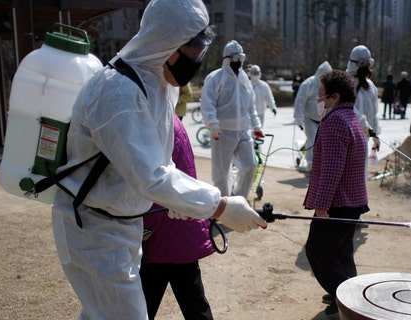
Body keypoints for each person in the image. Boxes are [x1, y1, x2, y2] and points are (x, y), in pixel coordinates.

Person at [51, 1, 267, 319]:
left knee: (102, 313)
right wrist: (219, 205)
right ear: (163, 42)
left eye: (199, 53)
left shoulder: (161, 83)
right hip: (92, 227)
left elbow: (159, 160)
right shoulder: (118, 91)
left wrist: (179, 202)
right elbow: (151, 175)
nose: (194, 63)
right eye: (189, 52)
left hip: (124, 223)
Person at [304, 70, 369, 316]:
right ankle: (343, 292)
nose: (319, 100)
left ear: (335, 96)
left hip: (337, 203)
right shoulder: (350, 117)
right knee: (341, 251)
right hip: (351, 201)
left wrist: (321, 206)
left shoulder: (335, 122)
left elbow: (332, 169)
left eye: (322, 96)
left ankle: (348, 299)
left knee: (317, 250)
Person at [141, 117, 214, 320]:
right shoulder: (170, 119)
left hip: (159, 236)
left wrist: (145, 229)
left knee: (140, 308)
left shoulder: (153, 123)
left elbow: (156, 186)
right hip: (183, 231)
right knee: (195, 305)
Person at [200, 40, 264, 198]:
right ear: (227, 59)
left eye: (241, 58)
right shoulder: (215, 78)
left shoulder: (245, 80)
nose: (239, 62)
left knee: (250, 164)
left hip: (243, 130)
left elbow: (250, 106)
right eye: (235, 58)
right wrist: (212, 124)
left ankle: (239, 197)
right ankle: (224, 202)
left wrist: (256, 126)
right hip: (222, 132)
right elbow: (208, 103)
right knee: (221, 171)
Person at [293, 61, 332, 172]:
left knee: (322, 143)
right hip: (309, 118)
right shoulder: (308, 84)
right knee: (313, 142)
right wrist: (298, 118)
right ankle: (311, 167)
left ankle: (321, 165)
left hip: (324, 119)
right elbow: (300, 101)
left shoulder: (330, 85)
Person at [346, 45, 381, 151]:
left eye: (367, 64)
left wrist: (375, 134)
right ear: (353, 63)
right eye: (362, 64)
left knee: (361, 167)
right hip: (345, 136)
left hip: (364, 138)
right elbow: (346, 108)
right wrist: (363, 123)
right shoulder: (343, 83)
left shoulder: (370, 86)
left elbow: (374, 112)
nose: (365, 67)